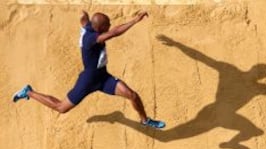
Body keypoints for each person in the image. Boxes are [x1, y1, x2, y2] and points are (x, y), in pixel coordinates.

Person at [13, 10, 165, 129]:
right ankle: (29, 92)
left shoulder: (88, 25)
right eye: (107, 25)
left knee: (132, 95)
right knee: (61, 107)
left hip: (104, 78)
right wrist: (135, 20)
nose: (109, 26)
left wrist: (83, 12)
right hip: (88, 81)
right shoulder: (91, 39)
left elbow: (83, 17)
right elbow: (114, 33)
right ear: (99, 29)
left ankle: (145, 120)